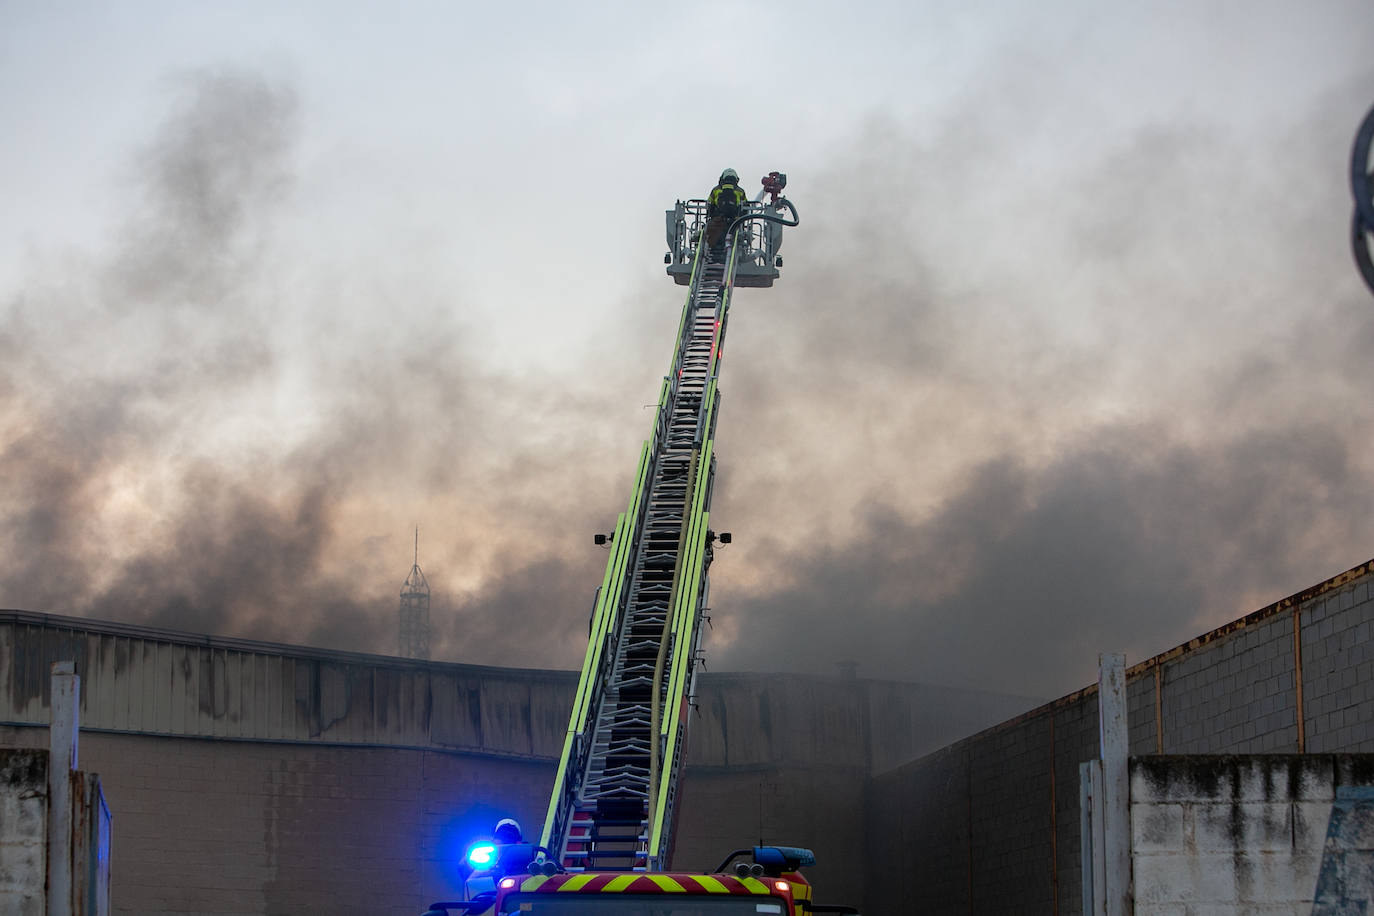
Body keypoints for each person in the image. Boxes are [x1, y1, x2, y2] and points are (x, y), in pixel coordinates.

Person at [706, 168, 748, 252]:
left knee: (711, 232)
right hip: (735, 221)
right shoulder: (740, 191)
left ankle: (713, 248)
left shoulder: (716, 190)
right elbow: (746, 206)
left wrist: (712, 216)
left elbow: (709, 204)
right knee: (734, 234)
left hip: (718, 220)